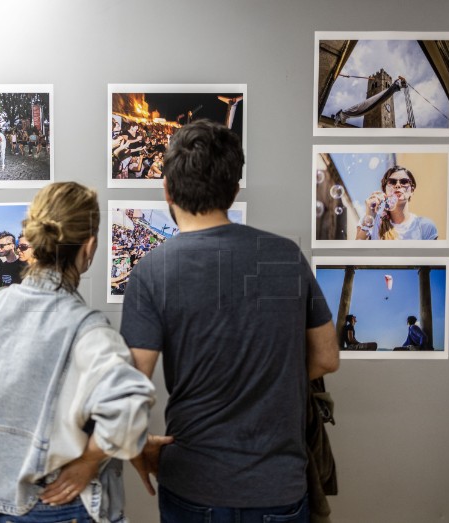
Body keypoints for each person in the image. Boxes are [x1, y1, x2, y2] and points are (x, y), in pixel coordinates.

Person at [120, 120, 340, 522]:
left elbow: (131, 382)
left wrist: (137, 445)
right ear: (234, 188)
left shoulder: (154, 270)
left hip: (193, 482)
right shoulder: (284, 256)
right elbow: (326, 357)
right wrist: (268, 374)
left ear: (166, 189)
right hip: (278, 485)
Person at [0, 182, 157, 523]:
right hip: (58, 505)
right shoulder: (87, 328)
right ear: (89, 247)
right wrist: (89, 460)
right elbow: (130, 409)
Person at [356, 165, 438, 241]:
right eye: (392, 182)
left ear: (412, 191)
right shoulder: (371, 220)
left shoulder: (425, 226)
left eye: (404, 181)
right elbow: (356, 251)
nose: (398, 185)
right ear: (385, 191)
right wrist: (370, 217)